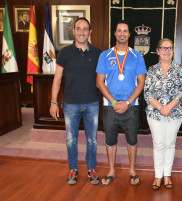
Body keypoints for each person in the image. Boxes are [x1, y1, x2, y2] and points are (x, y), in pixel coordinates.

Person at [50, 17, 102, 185]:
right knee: (71, 139)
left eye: (85, 29)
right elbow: (57, 80)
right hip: (70, 104)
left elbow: (104, 79)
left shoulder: (98, 53)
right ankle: (73, 169)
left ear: (90, 32)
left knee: (92, 140)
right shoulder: (64, 53)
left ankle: (91, 169)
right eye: (78, 28)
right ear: (73, 31)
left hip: (92, 103)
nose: (81, 32)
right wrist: (53, 102)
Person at [96, 20, 147, 186]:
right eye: (119, 31)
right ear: (115, 33)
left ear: (129, 34)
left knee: (132, 139)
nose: (122, 34)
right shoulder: (105, 55)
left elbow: (141, 82)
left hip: (131, 106)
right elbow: (99, 82)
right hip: (110, 106)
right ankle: (111, 170)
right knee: (110, 139)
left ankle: (132, 170)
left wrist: (128, 102)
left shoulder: (137, 56)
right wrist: (113, 102)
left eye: (125, 31)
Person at [144, 38, 182, 190]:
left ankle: (167, 174)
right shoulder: (151, 70)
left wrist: (168, 107)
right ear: (158, 50)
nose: (167, 50)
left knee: (170, 143)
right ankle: (158, 175)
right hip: (155, 114)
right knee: (158, 144)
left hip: (174, 113)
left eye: (169, 48)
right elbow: (147, 93)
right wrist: (161, 107)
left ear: (173, 50)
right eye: (163, 48)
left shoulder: (179, 68)